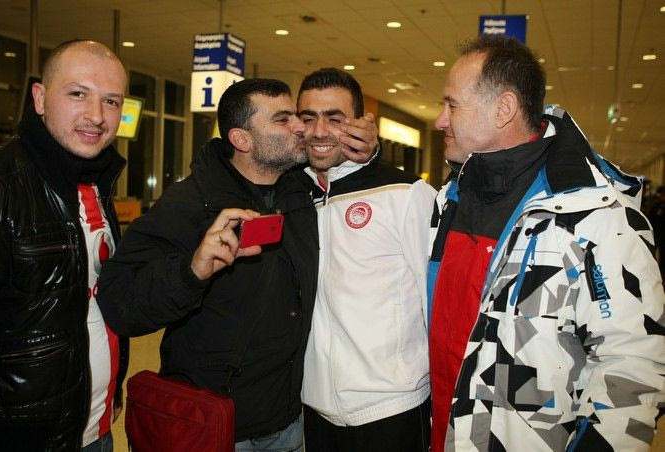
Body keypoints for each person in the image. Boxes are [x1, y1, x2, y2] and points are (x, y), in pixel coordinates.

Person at [96, 78, 378, 451]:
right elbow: (120, 304)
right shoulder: (190, 203)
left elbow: (346, 170)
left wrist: (371, 149)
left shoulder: (300, 191)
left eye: (296, 115)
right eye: (283, 119)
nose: (301, 127)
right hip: (213, 428)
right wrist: (191, 271)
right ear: (242, 139)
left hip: (288, 424)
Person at [427, 34, 665, 451]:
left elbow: (633, 368)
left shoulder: (596, 217)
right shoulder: (448, 201)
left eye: (452, 105)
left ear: (503, 109)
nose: (439, 121)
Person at [0, 40, 129, 451]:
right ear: (39, 98)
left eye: (111, 101)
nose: (97, 116)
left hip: (96, 427)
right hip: (21, 438)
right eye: (78, 94)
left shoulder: (96, 182)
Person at [296, 68, 435, 451]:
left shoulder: (406, 193)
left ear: (361, 123)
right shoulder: (295, 195)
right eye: (308, 117)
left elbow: (437, 302)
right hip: (315, 408)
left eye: (334, 118)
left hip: (393, 408)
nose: (319, 131)